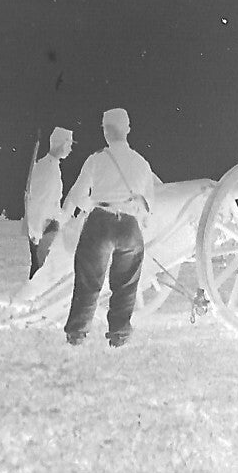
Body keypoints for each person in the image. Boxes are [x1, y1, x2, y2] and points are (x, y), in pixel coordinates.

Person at [61, 108, 156, 348]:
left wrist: (91, 206)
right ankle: (119, 336)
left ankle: (77, 334)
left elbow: (77, 195)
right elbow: (149, 204)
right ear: (128, 129)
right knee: (126, 285)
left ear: (105, 132)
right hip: (129, 226)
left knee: (88, 281)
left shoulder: (96, 159)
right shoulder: (141, 162)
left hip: (100, 222)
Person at [25, 126, 74, 277]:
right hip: (45, 229)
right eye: (69, 144)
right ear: (62, 144)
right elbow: (39, 201)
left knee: (43, 273)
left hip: (46, 227)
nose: (70, 149)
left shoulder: (50, 166)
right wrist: (36, 231)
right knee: (41, 274)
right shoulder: (47, 168)